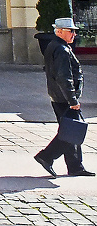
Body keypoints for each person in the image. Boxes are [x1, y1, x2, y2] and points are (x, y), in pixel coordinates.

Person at [34, 17, 94, 177]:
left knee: (72, 130)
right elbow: (63, 77)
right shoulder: (61, 49)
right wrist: (73, 101)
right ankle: (46, 156)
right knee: (71, 132)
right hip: (64, 98)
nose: (74, 34)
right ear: (59, 32)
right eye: (71, 31)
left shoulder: (56, 46)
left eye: (74, 31)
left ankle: (75, 167)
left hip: (59, 96)